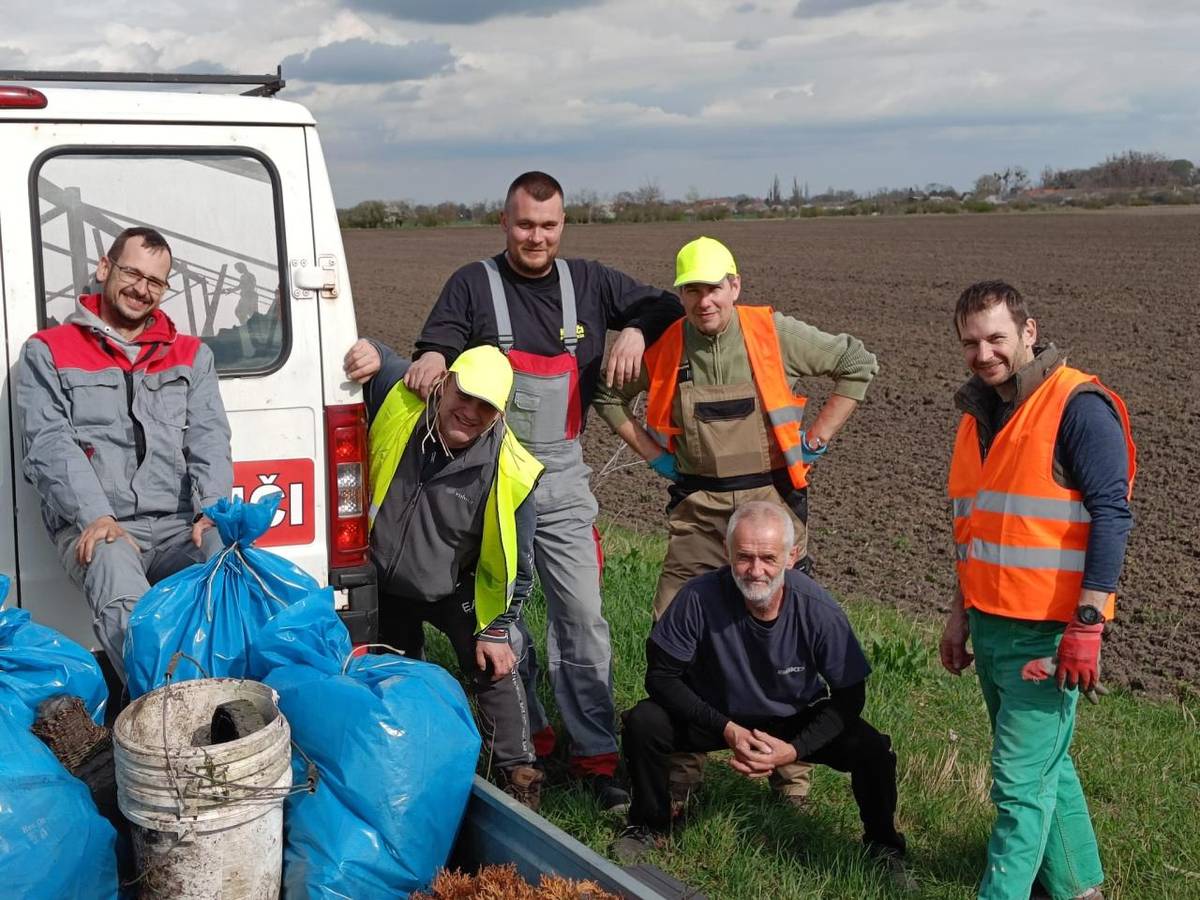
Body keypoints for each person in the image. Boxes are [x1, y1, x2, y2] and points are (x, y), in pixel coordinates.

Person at [395, 170, 685, 810]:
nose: (536, 236)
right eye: (525, 224)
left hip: (562, 476)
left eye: (548, 225)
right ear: (505, 222)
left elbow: (665, 304)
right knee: (505, 617)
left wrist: (635, 329)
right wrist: (433, 360)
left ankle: (597, 753)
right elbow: (437, 345)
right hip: (491, 482)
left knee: (581, 616)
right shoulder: (474, 284)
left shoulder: (591, 281)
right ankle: (527, 742)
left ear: (563, 225)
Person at [593, 235, 878, 810]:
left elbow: (858, 365)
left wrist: (817, 436)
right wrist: (655, 456)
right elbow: (605, 393)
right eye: (692, 289)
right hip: (698, 512)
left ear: (735, 286)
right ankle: (680, 778)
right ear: (681, 293)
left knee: (788, 642)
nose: (704, 301)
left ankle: (790, 776)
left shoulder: (774, 334)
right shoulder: (667, 345)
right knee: (676, 639)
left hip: (772, 513)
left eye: (715, 287)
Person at [940, 281, 1135, 900]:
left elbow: (1112, 512)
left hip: (1049, 630)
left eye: (996, 337)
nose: (984, 352)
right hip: (991, 622)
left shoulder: (1077, 404)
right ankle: (1081, 888)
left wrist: (1087, 625)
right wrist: (959, 613)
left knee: (1018, 783)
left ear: (1028, 331)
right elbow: (975, 530)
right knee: (1048, 766)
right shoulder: (979, 417)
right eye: (970, 342)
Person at [612, 501, 911, 889]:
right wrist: (728, 729)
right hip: (718, 714)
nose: (756, 570)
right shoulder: (698, 597)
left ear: (792, 556)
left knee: (873, 749)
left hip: (790, 718)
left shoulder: (819, 610)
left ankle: (885, 847)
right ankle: (647, 825)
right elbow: (661, 677)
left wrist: (794, 750)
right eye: (745, 558)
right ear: (727, 552)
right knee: (644, 721)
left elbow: (850, 696)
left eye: (768, 558)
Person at [15, 226, 232, 683]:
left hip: (176, 525)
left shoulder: (192, 354)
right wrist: (96, 515)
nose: (141, 289)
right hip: (98, 525)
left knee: (229, 562)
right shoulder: (48, 351)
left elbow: (209, 437)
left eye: (155, 281)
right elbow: (49, 444)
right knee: (113, 563)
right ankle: (169, 713)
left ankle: (240, 694)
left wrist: (211, 511)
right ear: (105, 268)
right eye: (132, 273)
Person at [344, 339, 546, 809]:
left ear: (499, 414)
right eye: (465, 395)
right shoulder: (403, 396)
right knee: (390, 673)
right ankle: (401, 763)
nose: (470, 412)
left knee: (496, 662)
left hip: (454, 585)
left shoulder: (511, 470)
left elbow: (522, 565)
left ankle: (519, 774)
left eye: (486, 406)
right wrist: (370, 351)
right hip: (382, 581)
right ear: (444, 383)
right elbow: (374, 353)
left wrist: (496, 630)